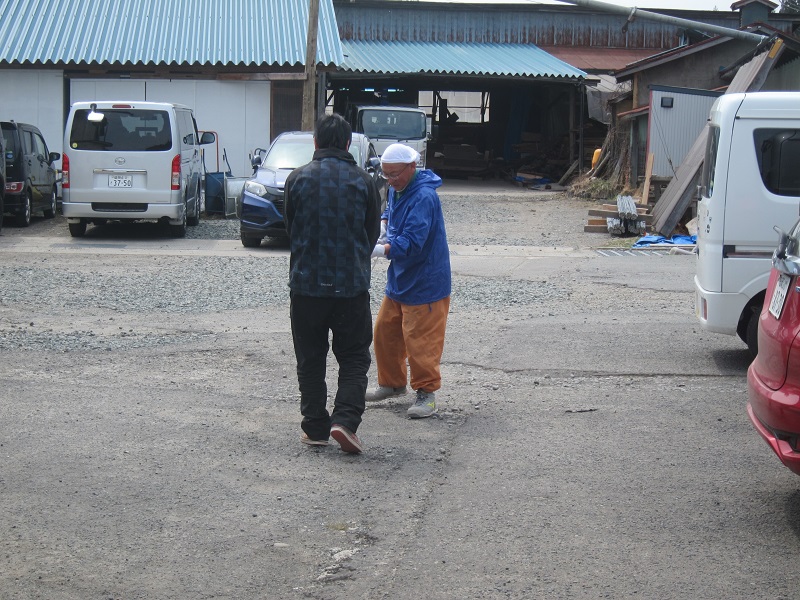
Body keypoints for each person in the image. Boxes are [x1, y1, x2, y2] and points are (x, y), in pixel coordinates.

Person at [283, 113, 382, 453]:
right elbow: (372, 232)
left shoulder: (297, 179)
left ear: (315, 142)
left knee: (310, 358)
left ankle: (315, 427)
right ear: (347, 144)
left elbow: (291, 228)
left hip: (306, 287)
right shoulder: (364, 181)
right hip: (351, 288)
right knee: (354, 357)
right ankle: (345, 421)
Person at [366, 143, 451, 418]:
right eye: (386, 174)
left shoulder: (424, 196)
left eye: (394, 174)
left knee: (421, 341)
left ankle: (427, 393)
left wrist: (380, 249)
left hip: (426, 281)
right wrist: (383, 223)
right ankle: (392, 383)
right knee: (385, 332)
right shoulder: (398, 188)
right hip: (401, 278)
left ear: (412, 167)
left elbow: (413, 242)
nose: (390, 180)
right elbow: (391, 211)